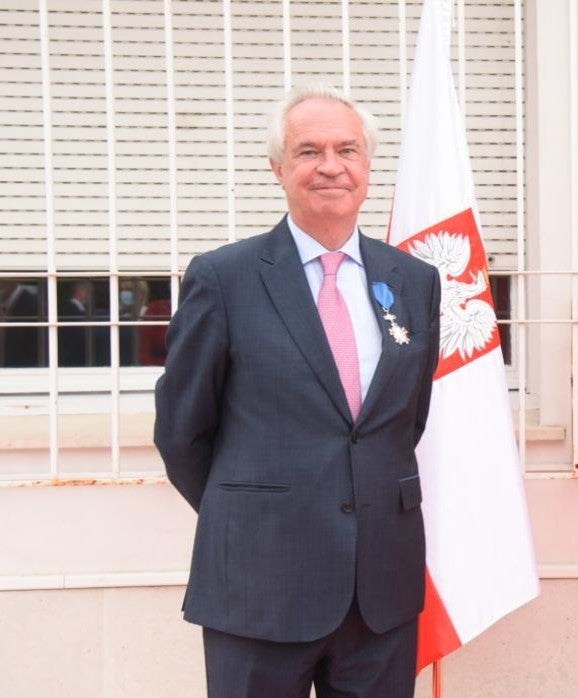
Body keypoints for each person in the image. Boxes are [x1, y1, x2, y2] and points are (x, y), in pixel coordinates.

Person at [154, 84, 441, 698]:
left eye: (348, 149)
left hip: (379, 595)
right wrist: (255, 510)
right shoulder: (223, 277)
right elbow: (182, 430)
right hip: (258, 585)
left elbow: (404, 422)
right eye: (309, 150)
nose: (331, 166)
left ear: (368, 164)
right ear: (278, 167)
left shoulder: (414, 282)